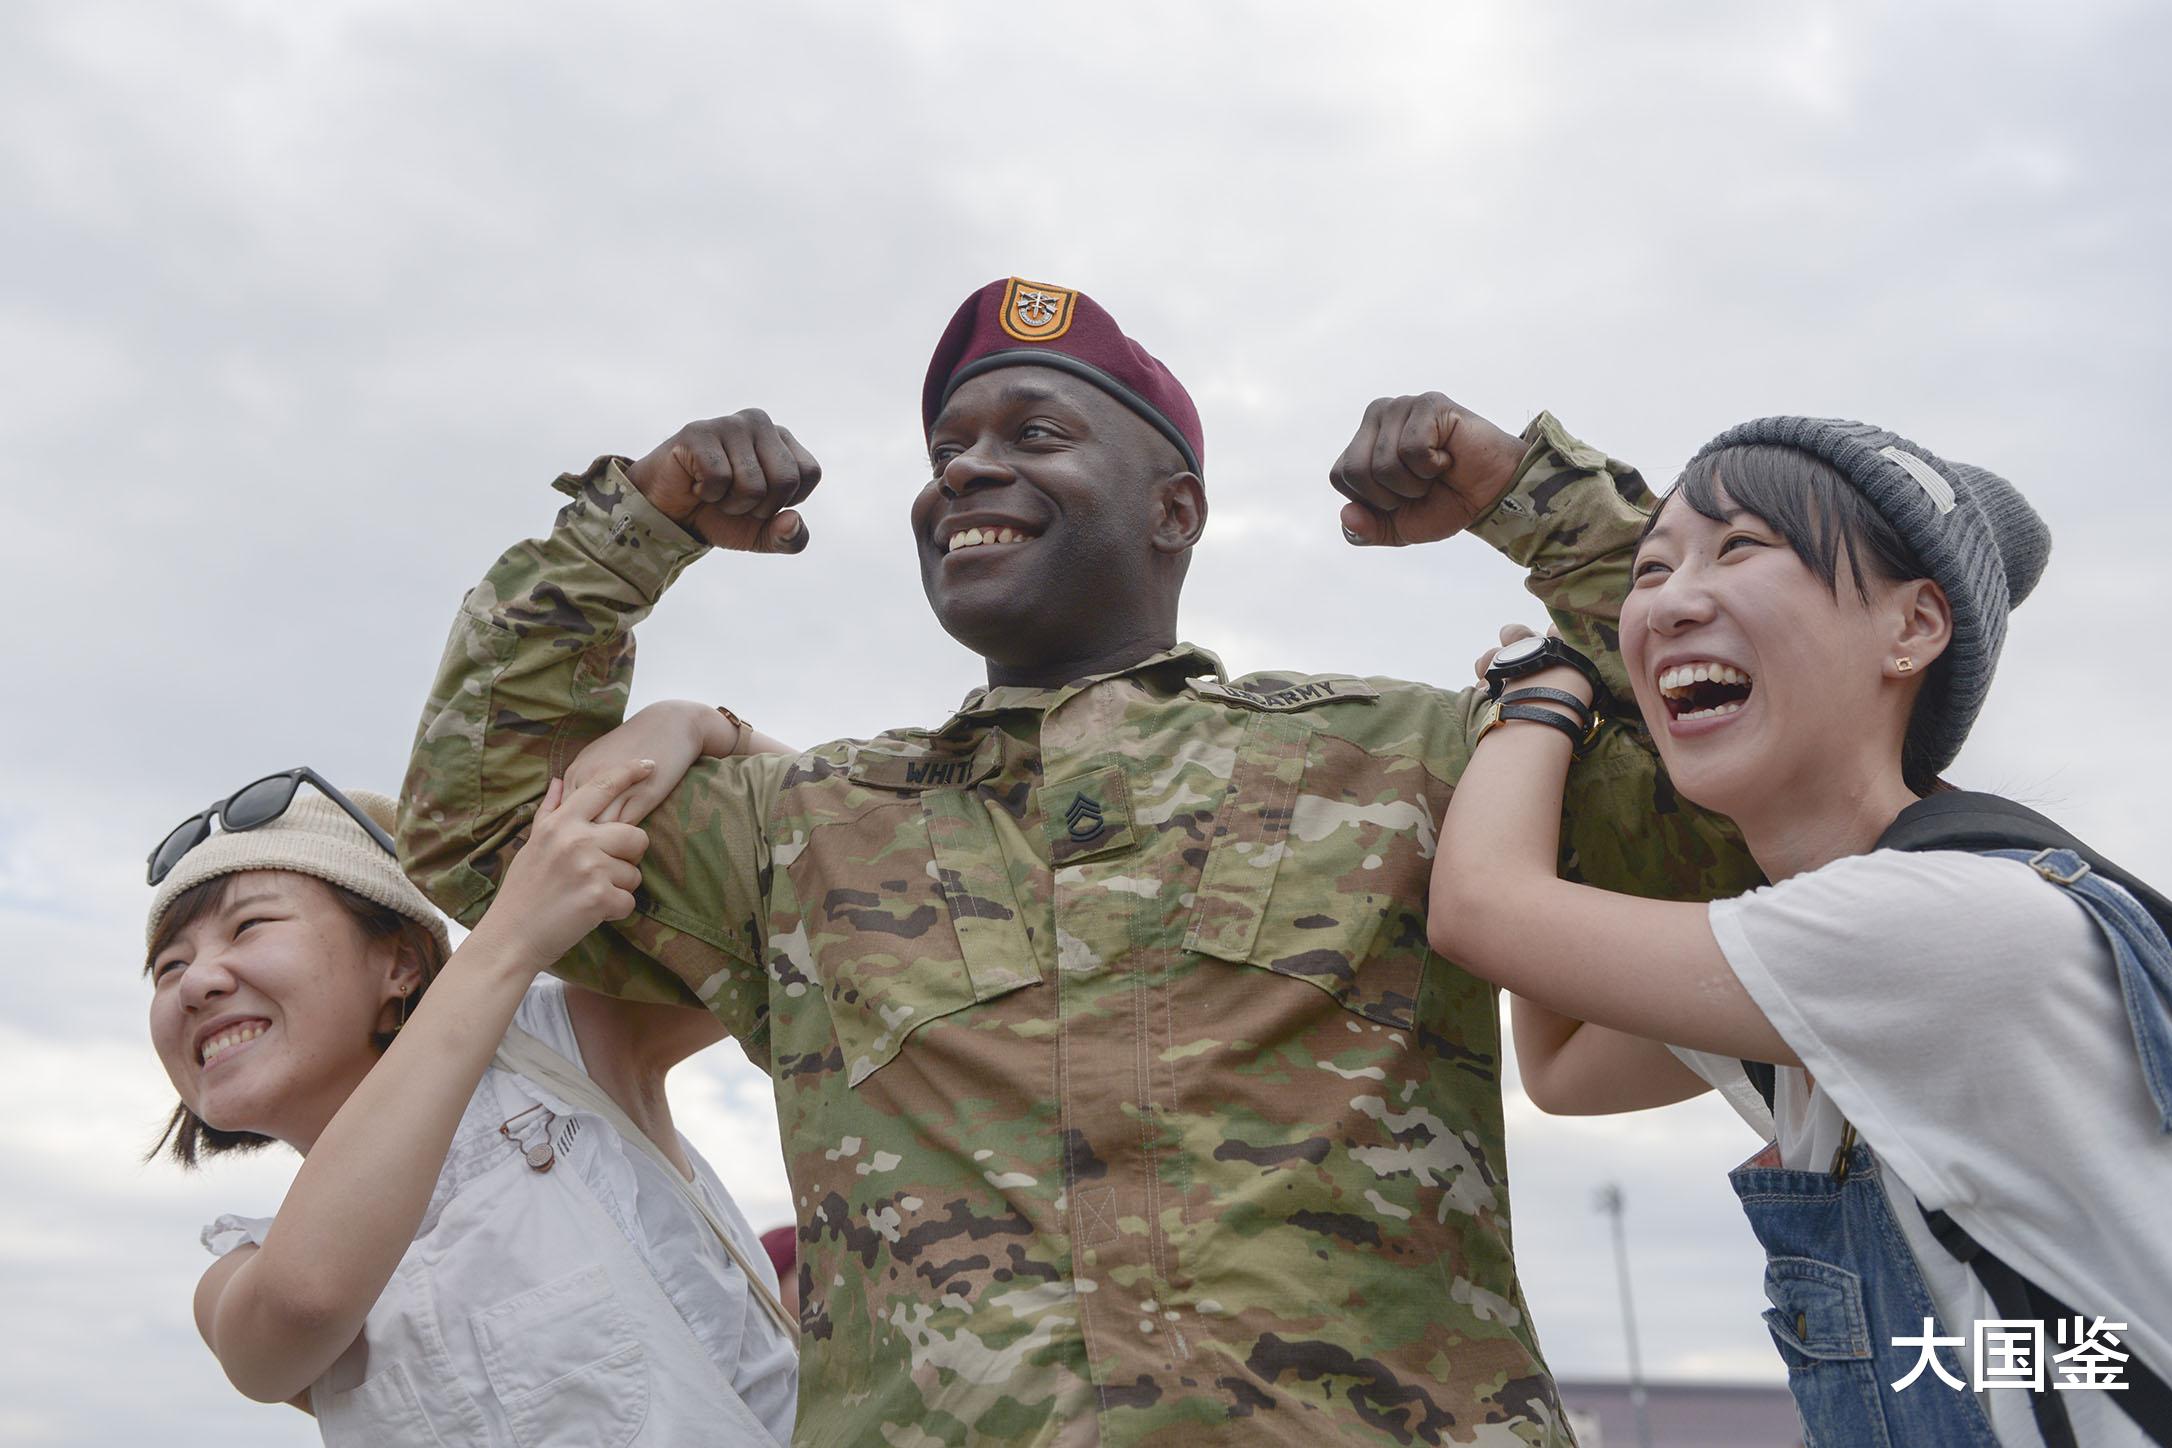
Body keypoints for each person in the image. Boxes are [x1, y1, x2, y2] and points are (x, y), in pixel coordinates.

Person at [399, 276, 1760, 1445]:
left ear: (1175, 509)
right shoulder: (799, 828)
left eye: (1033, 433)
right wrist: (639, 521)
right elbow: (482, 825)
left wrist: (1532, 497)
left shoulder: (1411, 762)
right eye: (947, 451)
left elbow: (1717, 814)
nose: (966, 470)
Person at [1426, 417, 2172, 1446]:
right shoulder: (1816, 946)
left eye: (1741, 548)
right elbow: (1563, 1064)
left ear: (1913, 626)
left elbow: (1485, 911)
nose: (1673, 599)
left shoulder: (1937, 925)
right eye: (1651, 567)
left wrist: (1539, 699)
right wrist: (1583, 793)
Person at [145, 754, 799, 1444]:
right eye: (168, 967)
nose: (196, 983)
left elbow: (822, 903)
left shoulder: (562, 1051)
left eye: (249, 927)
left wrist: (712, 732)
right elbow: (307, 1300)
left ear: (400, 962)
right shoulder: (239, 1275)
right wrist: (510, 937)